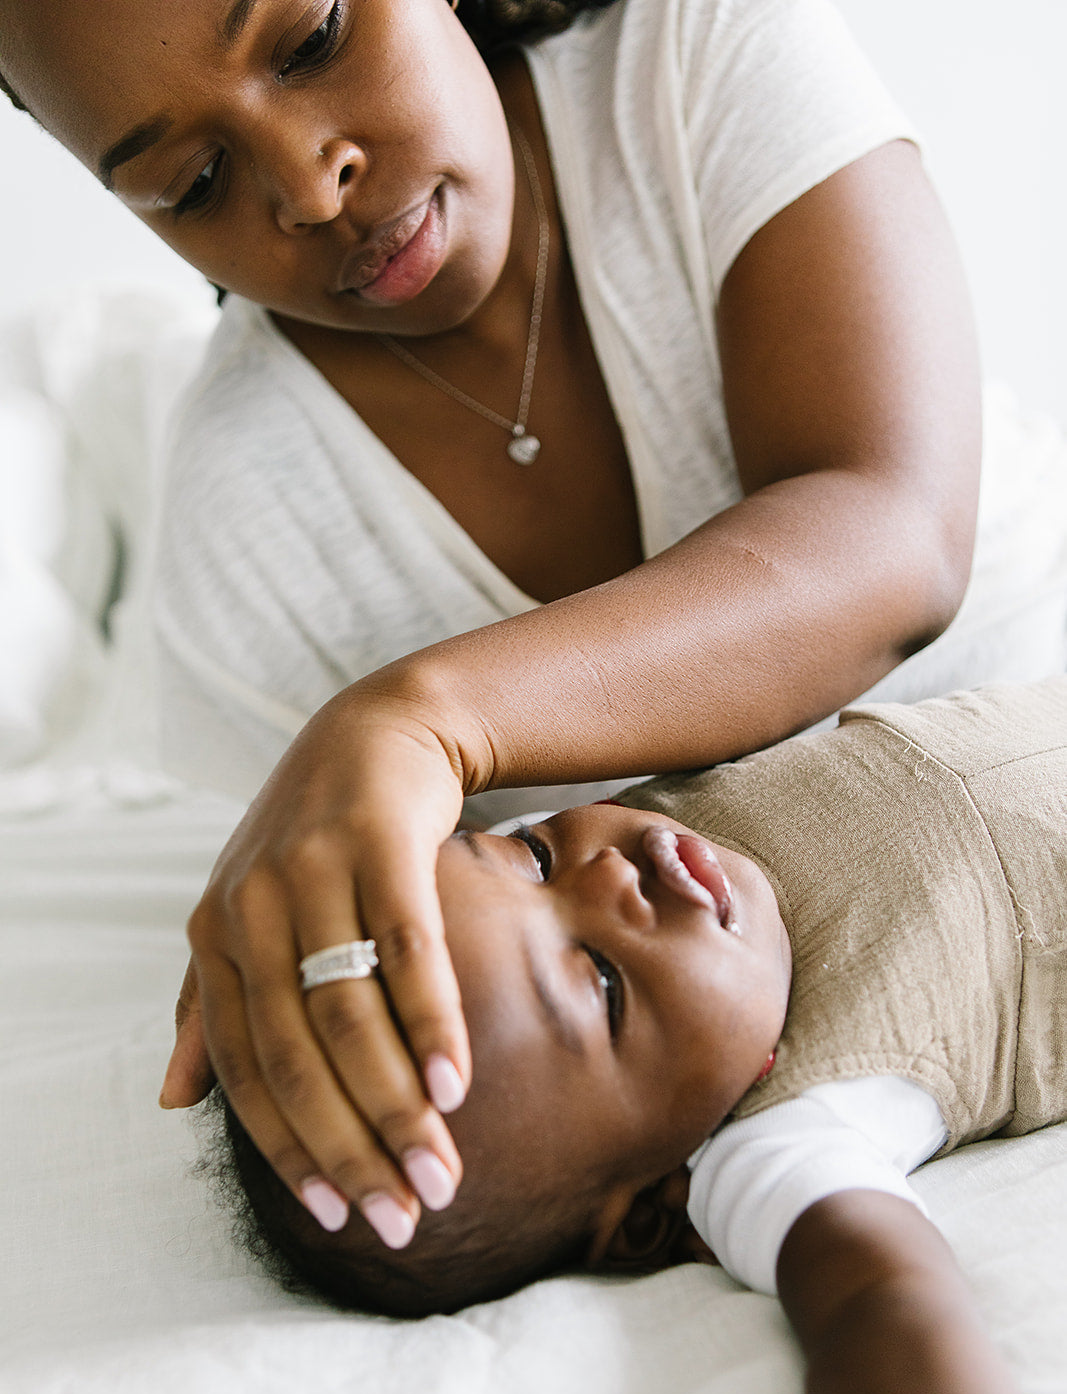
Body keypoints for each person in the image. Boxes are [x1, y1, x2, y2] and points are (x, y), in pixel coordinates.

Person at [0, 0, 987, 1253]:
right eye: (192, 182)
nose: (310, 186)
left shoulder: (690, 56)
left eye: (311, 41)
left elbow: (890, 534)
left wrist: (422, 717)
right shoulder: (247, 535)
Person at [205, 678, 1067, 1394]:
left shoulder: (639, 815)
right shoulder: (772, 1136)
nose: (609, 877)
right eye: (602, 987)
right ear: (653, 1211)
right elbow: (876, 1300)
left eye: (531, 858)